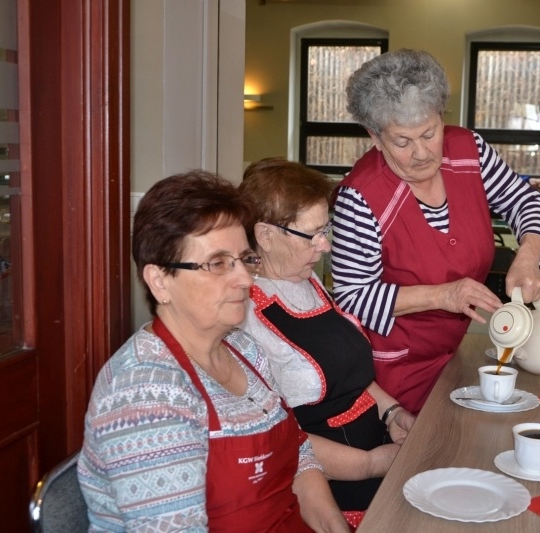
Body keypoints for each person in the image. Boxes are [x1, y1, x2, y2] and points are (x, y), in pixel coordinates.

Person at [78, 170, 349, 533]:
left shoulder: (242, 349)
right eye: (218, 263)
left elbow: (298, 456)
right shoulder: (145, 395)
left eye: (244, 259)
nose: (244, 279)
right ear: (160, 280)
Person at [332, 48, 540, 414]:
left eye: (429, 133)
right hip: (394, 371)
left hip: (458, 355)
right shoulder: (361, 196)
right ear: (375, 136)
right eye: (402, 141)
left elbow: (525, 201)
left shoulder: (470, 151)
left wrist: (529, 254)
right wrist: (443, 296)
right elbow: (353, 295)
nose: (421, 153)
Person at [238, 158, 415, 530]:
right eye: (313, 234)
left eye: (326, 228)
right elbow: (278, 435)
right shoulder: (244, 315)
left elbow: (350, 375)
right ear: (266, 236)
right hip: (333, 491)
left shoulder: (307, 282)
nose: (326, 245)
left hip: (379, 461)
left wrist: (392, 412)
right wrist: (371, 464)